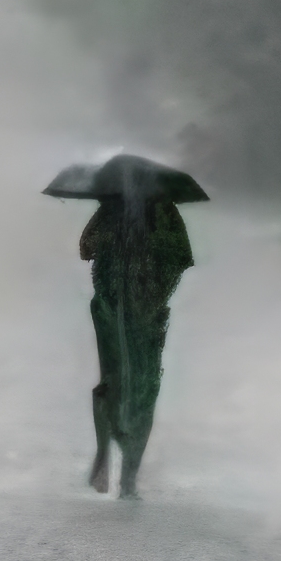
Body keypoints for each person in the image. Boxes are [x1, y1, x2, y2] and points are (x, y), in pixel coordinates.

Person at [80, 193, 193, 499]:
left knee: (133, 384)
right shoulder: (155, 210)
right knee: (135, 385)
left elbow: (86, 248)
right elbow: (182, 258)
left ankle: (117, 466)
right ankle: (116, 467)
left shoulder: (121, 208)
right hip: (119, 309)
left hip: (133, 310)